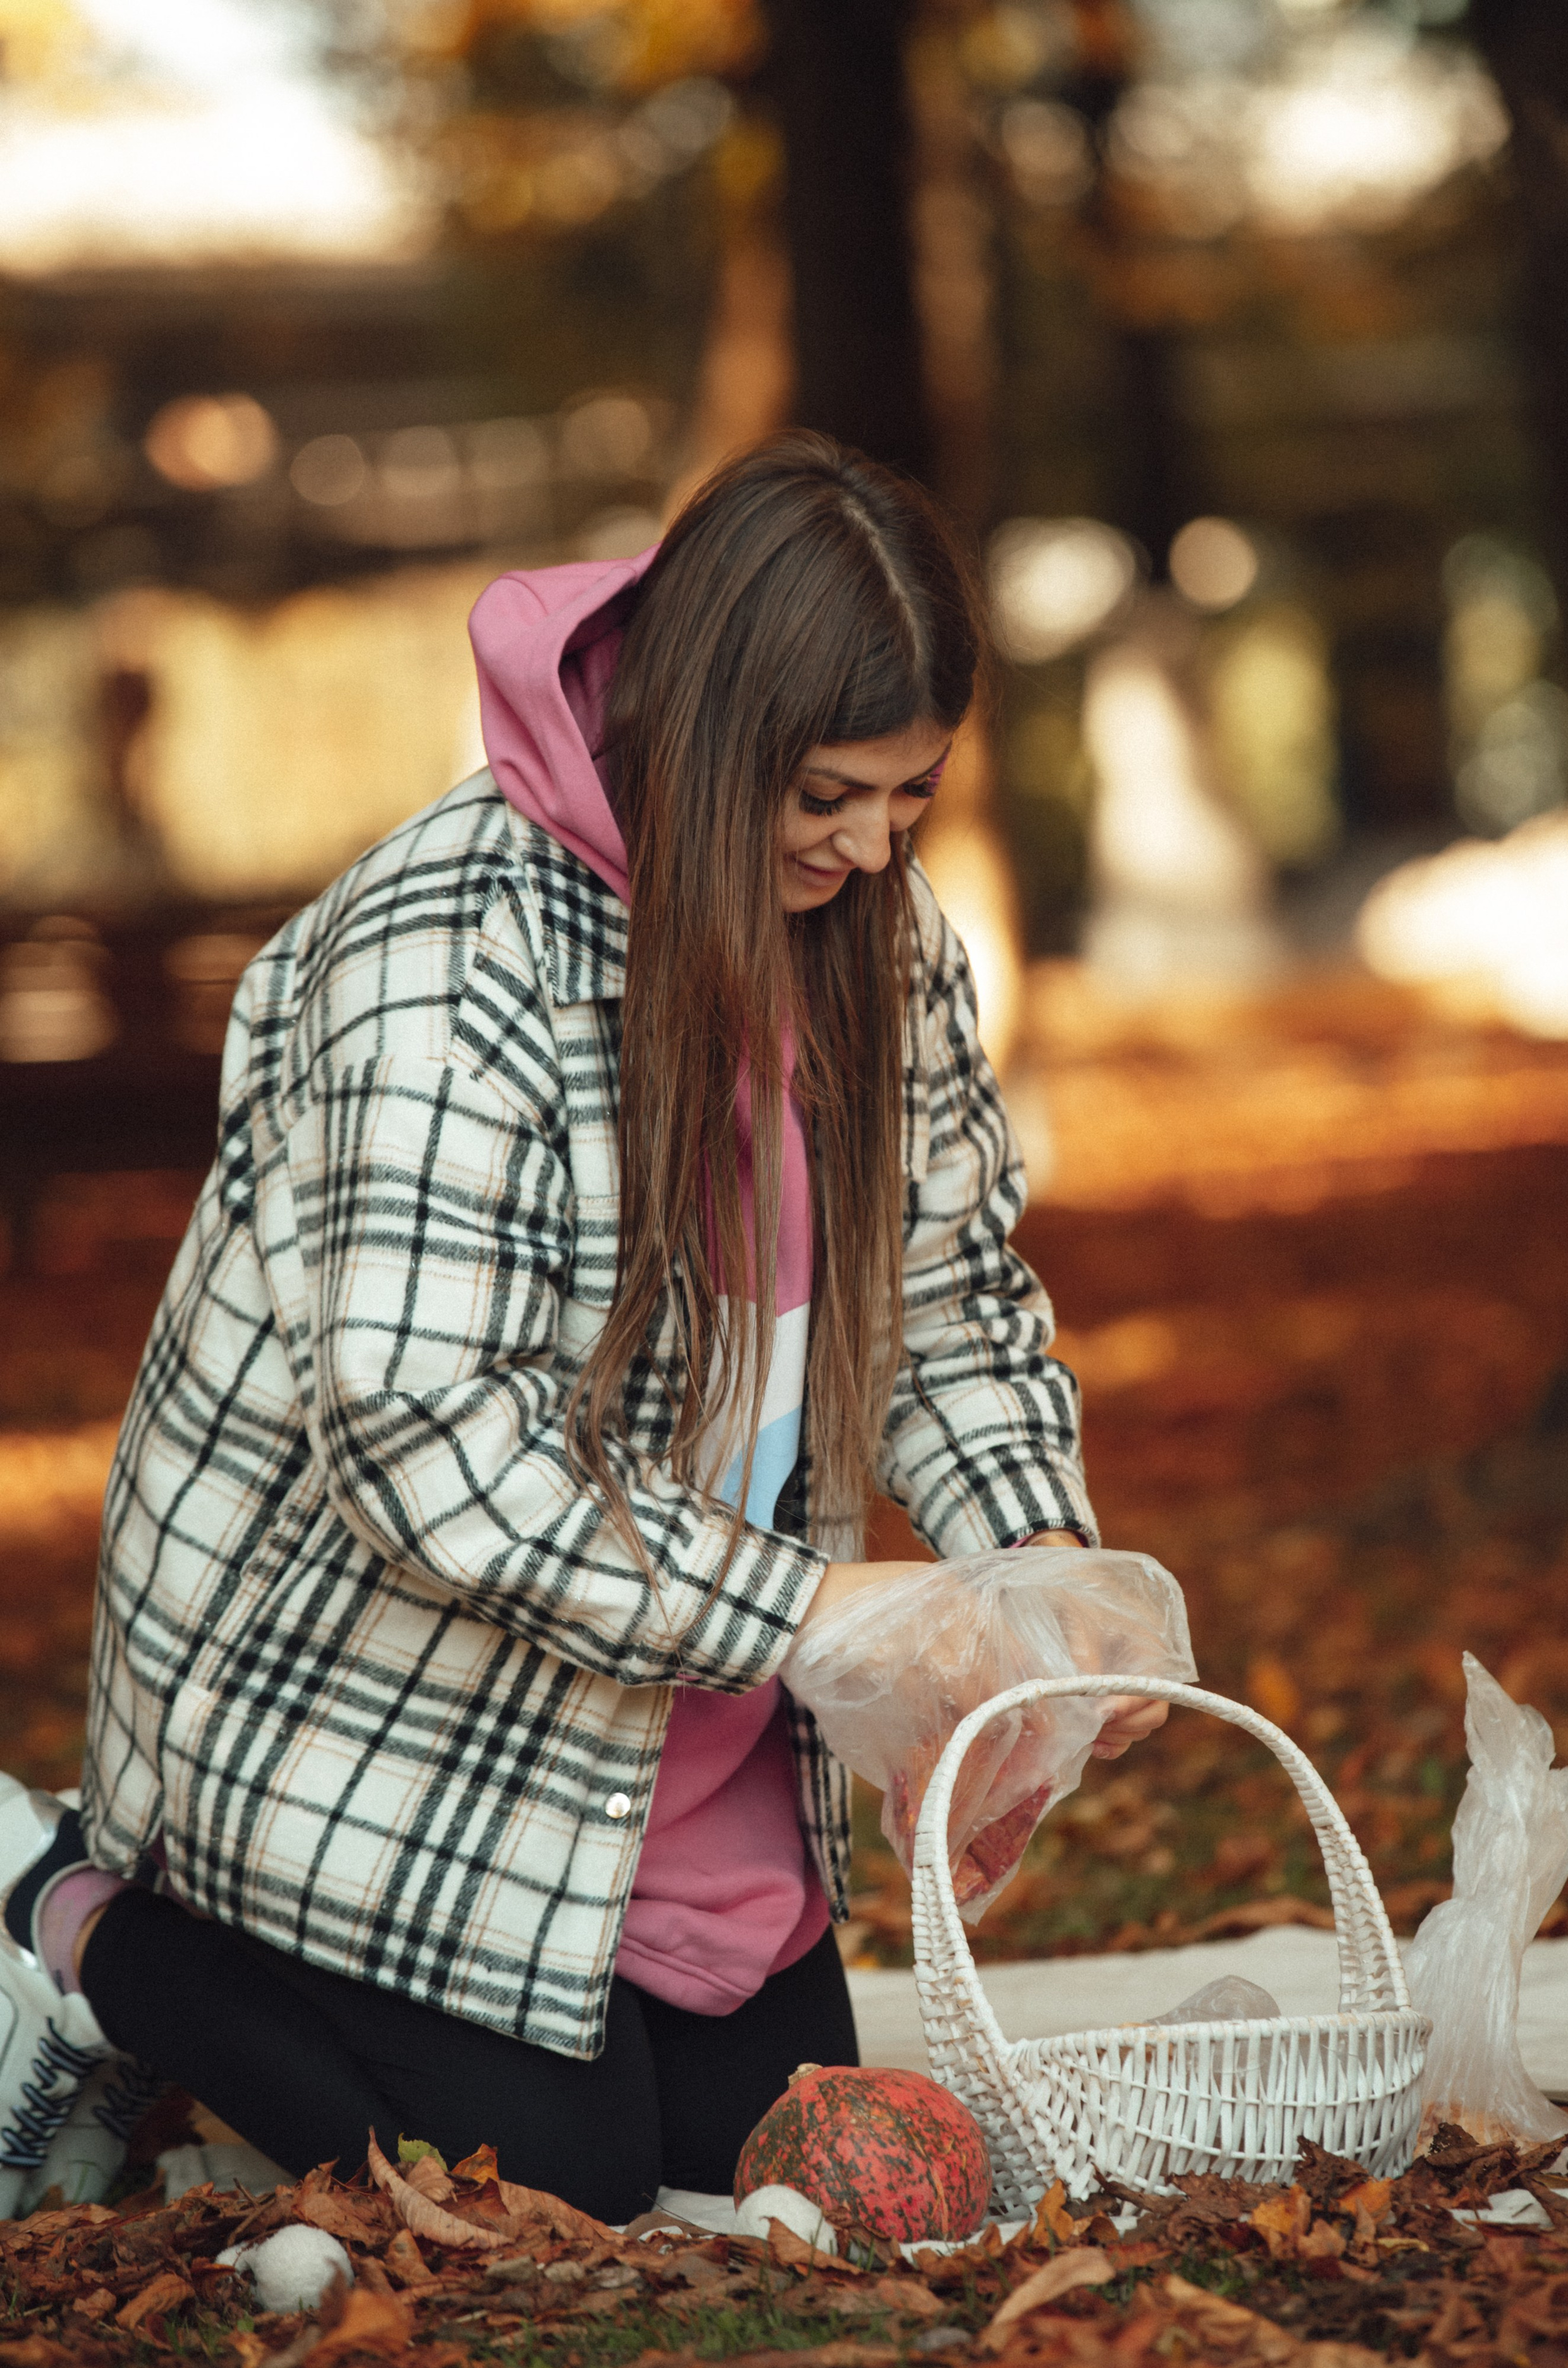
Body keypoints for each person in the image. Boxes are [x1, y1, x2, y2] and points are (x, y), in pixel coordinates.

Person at [0, 433, 1164, 2224]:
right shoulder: (441, 961)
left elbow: (944, 1294)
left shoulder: (874, 940)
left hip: (677, 1695)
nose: (872, 852)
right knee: (550, 2187)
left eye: (911, 798)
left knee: (751, 2166)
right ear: (707, 738)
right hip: (367, 1702)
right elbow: (426, 1448)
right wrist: (809, 1606)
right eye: (831, 797)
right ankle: (73, 1915)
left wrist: (1039, 1552)